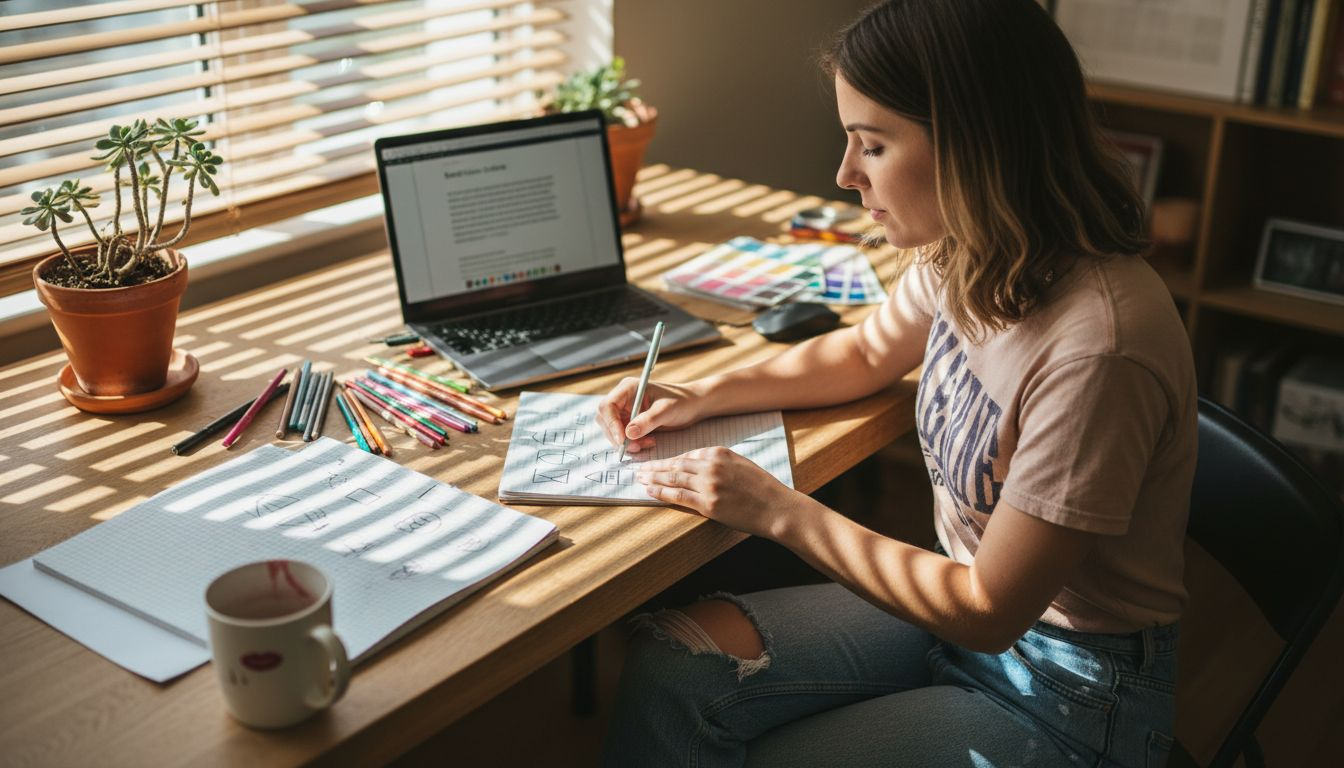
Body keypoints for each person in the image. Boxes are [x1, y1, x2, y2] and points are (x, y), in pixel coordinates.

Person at [596, 0, 1197, 766]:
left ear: (980, 147)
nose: (844, 174)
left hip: (1072, 690)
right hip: (955, 608)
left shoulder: (1098, 350)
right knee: (670, 667)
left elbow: (987, 611)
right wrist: (706, 393)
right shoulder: (968, 248)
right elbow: (864, 353)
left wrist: (775, 509)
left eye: (872, 146)